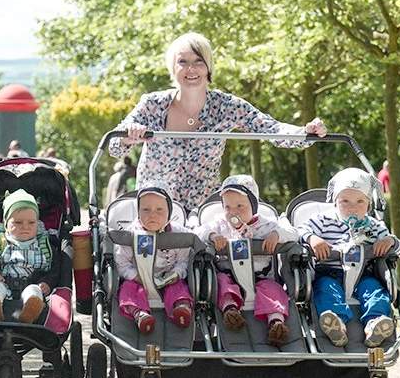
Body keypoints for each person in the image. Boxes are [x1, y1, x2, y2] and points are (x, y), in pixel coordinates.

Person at [108, 32, 328, 211]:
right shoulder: (152, 104)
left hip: (202, 210)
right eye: (182, 62)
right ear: (172, 68)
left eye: (198, 62)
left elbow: (272, 129)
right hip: (155, 209)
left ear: (208, 67)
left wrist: (305, 131)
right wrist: (128, 136)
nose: (191, 69)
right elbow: (113, 146)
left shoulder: (226, 106)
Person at [297, 168, 399, 348]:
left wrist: (389, 241)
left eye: (360, 201)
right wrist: (313, 239)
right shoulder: (324, 220)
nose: (353, 207)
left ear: (369, 204)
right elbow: (298, 231)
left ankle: (375, 323)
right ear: (335, 202)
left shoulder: (373, 226)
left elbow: (399, 248)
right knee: (325, 290)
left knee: (375, 291)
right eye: (345, 201)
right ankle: (336, 324)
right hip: (330, 272)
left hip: (363, 274)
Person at [195, 175, 298, 345]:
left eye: (240, 206)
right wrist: (213, 236)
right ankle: (230, 310)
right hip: (230, 275)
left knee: (274, 289)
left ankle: (276, 322)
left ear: (254, 206)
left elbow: (293, 233)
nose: (233, 212)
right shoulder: (220, 224)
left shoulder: (267, 225)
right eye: (227, 207)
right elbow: (198, 232)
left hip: (260, 277)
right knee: (221, 282)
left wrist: (277, 235)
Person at [115, 182, 194, 334]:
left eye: (159, 210)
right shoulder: (129, 235)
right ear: (138, 212)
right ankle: (140, 314)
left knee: (179, 287)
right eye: (146, 209)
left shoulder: (179, 234)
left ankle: (181, 308)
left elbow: (184, 261)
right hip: (139, 280)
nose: (153, 214)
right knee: (127, 289)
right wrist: (135, 276)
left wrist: (176, 274)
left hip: (168, 278)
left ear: (169, 213)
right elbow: (121, 262)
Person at [0, 190, 61, 324]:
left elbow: (54, 268)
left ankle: (29, 312)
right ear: (6, 225)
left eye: (31, 223)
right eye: (18, 223)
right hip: (3, 282)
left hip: (32, 284)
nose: (25, 227)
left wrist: (47, 282)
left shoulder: (45, 245)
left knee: (34, 292)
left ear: (37, 224)